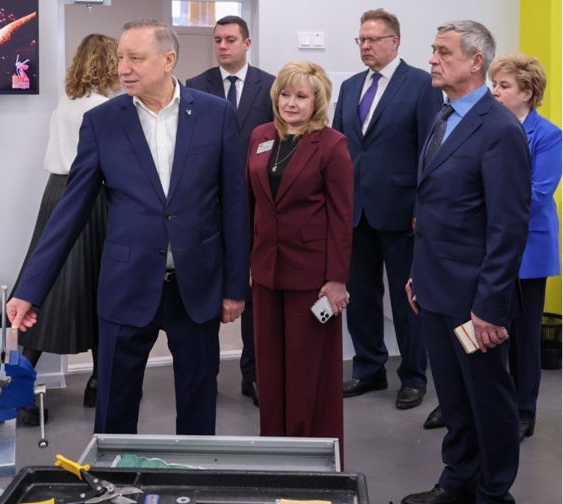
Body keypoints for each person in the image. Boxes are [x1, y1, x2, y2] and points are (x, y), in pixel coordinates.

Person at [7, 19, 250, 436]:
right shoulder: (102, 121)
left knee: (198, 404)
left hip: (196, 284)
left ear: (168, 60)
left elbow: (234, 205)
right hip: (126, 283)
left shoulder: (216, 115)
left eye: (135, 58)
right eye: (121, 57)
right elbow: (70, 211)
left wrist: (235, 286)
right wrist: (29, 290)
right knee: (115, 408)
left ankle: (193, 474)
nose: (123, 68)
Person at [402, 20, 530, 504]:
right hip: (435, 288)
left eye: (443, 52)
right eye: (433, 50)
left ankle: (494, 492)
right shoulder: (443, 117)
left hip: (475, 298)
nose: (432, 59)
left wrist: (489, 307)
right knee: (453, 397)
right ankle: (457, 480)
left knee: (488, 399)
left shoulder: (499, 129)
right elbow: (434, 208)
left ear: (476, 62)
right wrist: (416, 274)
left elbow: (507, 227)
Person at [424, 54, 561, 439]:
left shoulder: (548, 135)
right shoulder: (480, 126)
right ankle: (461, 402)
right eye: (494, 84)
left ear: (527, 93)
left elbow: (534, 195)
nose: (495, 92)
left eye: (504, 86)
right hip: (483, 247)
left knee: (522, 336)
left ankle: (523, 410)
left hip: (528, 251)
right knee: (472, 331)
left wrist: (479, 209)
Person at [332, 9, 441, 410]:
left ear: (394, 41)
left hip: (401, 211)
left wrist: (421, 207)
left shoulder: (422, 85)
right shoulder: (349, 87)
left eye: (373, 39)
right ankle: (369, 369)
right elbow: (339, 149)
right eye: (361, 39)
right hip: (355, 210)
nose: (365, 46)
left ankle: (413, 376)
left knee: (406, 298)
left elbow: (430, 151)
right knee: (360, 295)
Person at [8, 33, 119, 424]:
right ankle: (98, 384)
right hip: (91, 196)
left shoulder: (65, 104)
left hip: (56, 193)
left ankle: (20, 383)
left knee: (49, 286)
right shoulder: (106, 107)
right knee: (99, 285)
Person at [246, 61, 353, 457]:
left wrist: (337, 279)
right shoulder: (260, 137)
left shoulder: (332, 144)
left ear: (317, 101)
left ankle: (312, 454)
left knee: (309, 372)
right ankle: (275, 449)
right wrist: (248, 261)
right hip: (266, 271)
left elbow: (342, 218)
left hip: (313, 277)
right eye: (285, 94)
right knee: (270, 368)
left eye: (301, 96)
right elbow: (252, 204)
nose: (291, 103)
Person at [185, 14, 274, 407]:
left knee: (253, 292)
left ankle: (252, 375)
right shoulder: (194, 86)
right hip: (207, 204)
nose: (222, 46)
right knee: (206, 289)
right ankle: (205, 375)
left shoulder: (269, 87)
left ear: (247, 43)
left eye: (230, 40)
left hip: (256, 205)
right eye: (217, 40)